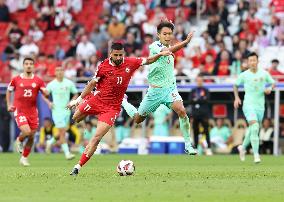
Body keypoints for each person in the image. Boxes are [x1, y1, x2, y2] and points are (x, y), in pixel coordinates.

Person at [68, 42, 171, 176]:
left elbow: (149, 60)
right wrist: (78, 100)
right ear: (110, 54)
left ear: (124, 54)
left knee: (96, 138)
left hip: (112, 107)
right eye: (115, 55)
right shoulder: (103, 66)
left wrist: (161, 54)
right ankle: (87, 106)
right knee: (75, 118)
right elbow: (92, 83)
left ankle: (77, 167)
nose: (118, 57)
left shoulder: (131, 62)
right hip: (97, 99)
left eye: (120, 55)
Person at [122, 20, 197, 155]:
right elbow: (167, 50)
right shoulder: (155, 46)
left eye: (170, 34)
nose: (168, 36)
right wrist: (185, 42)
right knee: (138, 119)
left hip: (170, 89)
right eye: (165, 34)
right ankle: (123, 101)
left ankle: (188, 145)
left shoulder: (170, 50)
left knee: (182, 111)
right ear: (158, 35)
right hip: (155, 91)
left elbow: (169, 51)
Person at [6, 57, 48, 166]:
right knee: (27, 132)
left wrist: (46, 94)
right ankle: (19, 140)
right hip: (19, 110)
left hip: (33, 112)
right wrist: (9, 104)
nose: (28, 65)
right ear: (23, 66)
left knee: (32, 136)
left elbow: (45, 92)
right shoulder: (16, 79)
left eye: (30, 64)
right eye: (26, 64)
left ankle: (24, 158)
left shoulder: (38, 80)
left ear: (33, 66)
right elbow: (9, 91)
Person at [234, 52, 275, 163]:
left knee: (253, 129)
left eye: (254, 60)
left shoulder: (264, 74)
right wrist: (237, 98)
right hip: (248, 105)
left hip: (260, 107)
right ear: (248, 62)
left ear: (257, 61)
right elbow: (235, 85)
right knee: (255, 127)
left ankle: (242, 148)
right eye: (250, 60)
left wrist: (270, 88)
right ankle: (256, 155)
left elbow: (273, 83)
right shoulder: (244, 75)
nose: (252, 62)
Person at [43, 67, 78, 160]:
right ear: (55, 72)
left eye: (61, 70)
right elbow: (44, 95)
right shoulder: (51, 84)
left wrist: (71, 102)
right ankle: (67, 153)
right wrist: (49, 103)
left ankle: (50, 142)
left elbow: (75, 93)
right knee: (62, 133)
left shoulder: (69, 83)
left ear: (64, 72)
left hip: (66, 111)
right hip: (56, 111)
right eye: (57, 70)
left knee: (62, 131)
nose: (59, 72)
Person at [189, 75, 212, 155]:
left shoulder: (206, 90)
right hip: (195, 114)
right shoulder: (193, 90)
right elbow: (190, 101)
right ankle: (195, 148)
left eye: (200, 80)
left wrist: (197, 100)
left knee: (206, 131)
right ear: (196, 81)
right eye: (198, 80)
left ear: (202, 81)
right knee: (195, 131)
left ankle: (208, 148)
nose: (199, 82)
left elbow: (207, 100)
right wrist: (201, 99)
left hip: (204, 114)